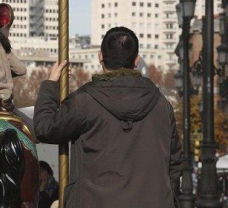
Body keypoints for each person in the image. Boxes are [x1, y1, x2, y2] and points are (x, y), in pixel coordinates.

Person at [34, 27, 183, 208]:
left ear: (100, 57)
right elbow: (175, 162)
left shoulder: (85, 102)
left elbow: (45, 128)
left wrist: (51, 86)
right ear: (136, 60)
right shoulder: (162, 105)